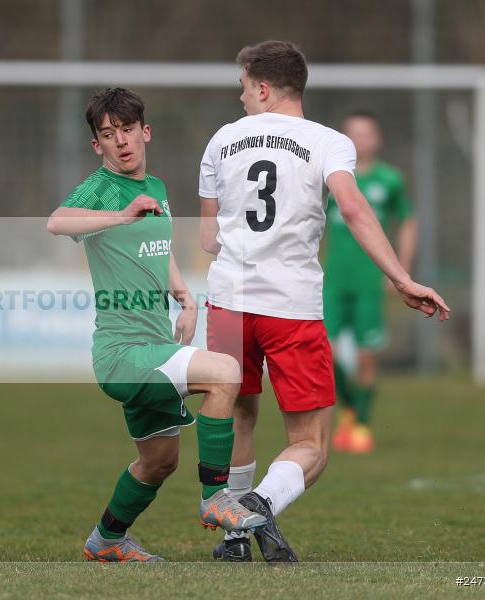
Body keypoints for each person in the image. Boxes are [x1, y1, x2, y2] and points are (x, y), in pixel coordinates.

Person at [198, 41, 449, 562]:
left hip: (227, 304)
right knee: (311, 442)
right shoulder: (329, 143)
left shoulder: (221, 140)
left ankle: (233, 539)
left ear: (263, 88)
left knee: (241, 417)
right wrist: (402, 278)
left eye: (243, 87)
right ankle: (261, 504)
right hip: (290, 306)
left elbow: (207, 238)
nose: (241, 96)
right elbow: (353, 210)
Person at [47, 87, 266, 563]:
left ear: (145, 132)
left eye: (127, 130)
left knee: (158, 462)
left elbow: (156, 249)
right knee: (226, 373)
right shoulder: (104, 189)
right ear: (97, 146)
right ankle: (215, 499)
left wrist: (185, 298)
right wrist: (120, 214)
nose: (120, 141)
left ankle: (106, 541)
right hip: (122, 354)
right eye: (108, 134)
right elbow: (57, 222)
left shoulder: (158, 188)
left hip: (151, 346)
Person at [324, 112, 418, 454]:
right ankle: (349, 408)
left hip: (369, 282)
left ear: (377, 139)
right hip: (332, 279)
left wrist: (401, 271)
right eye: (353, 133)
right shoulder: (332, 177)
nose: (360, 139)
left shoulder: (390, 180)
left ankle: (360, 424)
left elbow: (407, 222)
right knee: (324, 351)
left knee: (366, 356)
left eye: (366, 133)